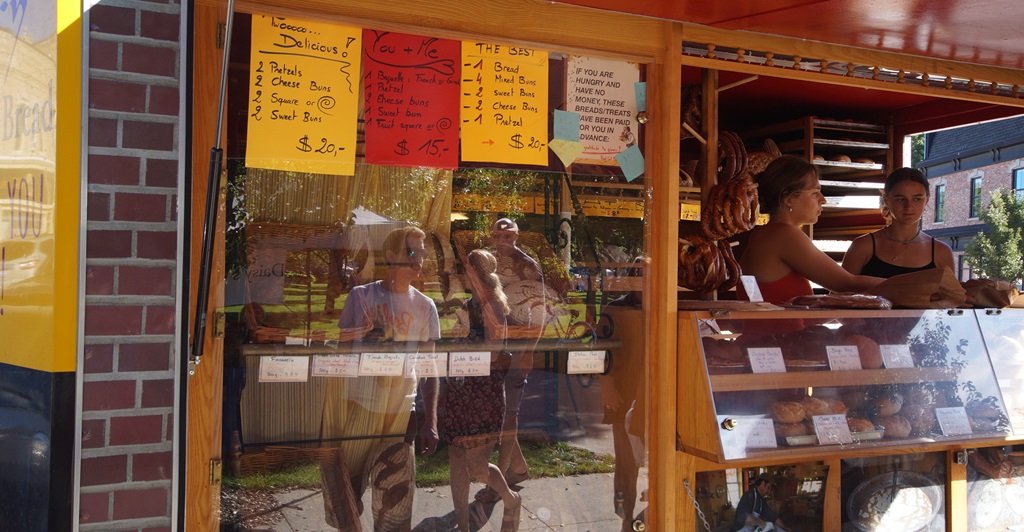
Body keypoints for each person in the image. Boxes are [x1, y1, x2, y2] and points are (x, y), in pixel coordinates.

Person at [318, 226, 441, 531]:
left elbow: (429, 367)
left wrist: (431, 421)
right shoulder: (361, 297)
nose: (419, 258)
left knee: (395, 504)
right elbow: (343, 356)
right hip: (360, 407)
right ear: (391, 255)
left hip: (402, 413)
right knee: (347, 497)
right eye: (412, 251)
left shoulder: (426, 306)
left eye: (422, 252)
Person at [442, 249, 522, 531]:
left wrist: (461, 349)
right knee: (455, 458)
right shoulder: (467, 304)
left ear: (477, 272)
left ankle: (510, 499)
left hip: (484, 393)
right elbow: (453, 337)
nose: (463, 274)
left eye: (467, 268)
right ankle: (463, 525)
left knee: (476, 465)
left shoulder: (494, 305)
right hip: (461, 390)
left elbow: (493, 353)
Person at [737, 155, 884, 304]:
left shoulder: (760, 233)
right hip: (782, 328)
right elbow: (847, 283)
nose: (823, 200)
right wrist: (904, 282)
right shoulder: (784, 234)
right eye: (814, 192)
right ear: (789, 199)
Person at [476, 218, 541, 504]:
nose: (501, 238)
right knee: (498, 410)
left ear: (517, 235)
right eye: (496, 234)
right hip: (493, 344)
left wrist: (529, 351)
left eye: (507, 234)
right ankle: (518, 467)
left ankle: (497, 484)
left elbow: (539, 312)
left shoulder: (527, 266)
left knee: (508, 413)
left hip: (517, 345)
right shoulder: (487, 262)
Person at [842, 167, 955, 277]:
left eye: (917, 199)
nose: (908, 206)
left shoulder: (941, 252)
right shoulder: (863, 246)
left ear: (927, 200)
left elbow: (952, 295)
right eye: (900, 199)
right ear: (886, 200)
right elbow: (838, 295)